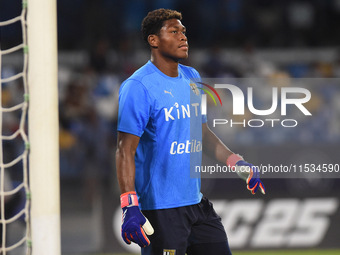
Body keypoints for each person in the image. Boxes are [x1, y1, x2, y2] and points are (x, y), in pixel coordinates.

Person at [115, 8, 265, 255]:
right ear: (153, 40)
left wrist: (236, 162)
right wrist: (129, 205)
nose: (183, 37)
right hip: (161, 210)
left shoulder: (192, 78)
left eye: (183, 32)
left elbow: (202, 134)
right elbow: (124, 150)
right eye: (173, 32)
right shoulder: (137, 86)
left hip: (196, 204)